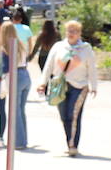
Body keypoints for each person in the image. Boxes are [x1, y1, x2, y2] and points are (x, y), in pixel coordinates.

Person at [39, 19, 99, 156]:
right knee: (64, 116)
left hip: (79, 86)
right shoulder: (58, 47)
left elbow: (92, 68)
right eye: (69, 31)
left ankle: (73, 145)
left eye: (75, 31)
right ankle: (69, 142)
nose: (72, 34)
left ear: (79, 33)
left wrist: (93, 85)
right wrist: (42, 83)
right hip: (60, 86)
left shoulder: (86, 49)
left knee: (74, 116)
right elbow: (48, 66)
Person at [5, 7, 33, 148]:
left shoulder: (11, 36)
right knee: (21, 109)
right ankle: (23, 138)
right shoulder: (26, 30)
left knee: (14, 110)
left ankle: (19, 141)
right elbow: (31, 45)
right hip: (25, 71)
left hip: (16, 72)